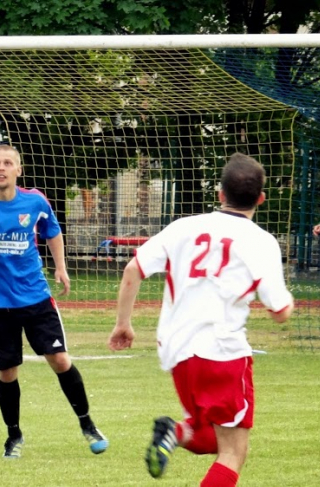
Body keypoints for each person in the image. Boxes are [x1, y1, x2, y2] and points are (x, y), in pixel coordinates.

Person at [107, 152, 294, 486]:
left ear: (221, 194)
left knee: (208, 435)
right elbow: (279, 312)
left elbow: (133, 269)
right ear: (261, 199)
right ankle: (176, 433)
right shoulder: (261, 242)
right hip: (222, 351)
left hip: (177, 351)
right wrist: (287, 303)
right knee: (234, 451)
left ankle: (174, 432)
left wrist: (123, 323)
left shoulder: (184, 227)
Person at [0, 144, 108, 459]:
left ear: (18, 169)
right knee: (7, 371)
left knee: (60, 360)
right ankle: (13, 435)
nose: (1, 168)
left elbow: (52, 231)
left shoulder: (35, 201)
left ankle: (88, 424)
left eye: (7, 163)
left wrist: (61, 267)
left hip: (35, 298)